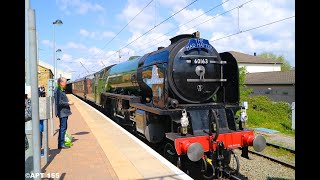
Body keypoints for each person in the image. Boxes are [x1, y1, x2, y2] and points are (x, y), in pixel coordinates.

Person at [54, 77, 74, 149]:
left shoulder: (59, 89)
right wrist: (68, 103)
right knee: (63, 128)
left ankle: (61, 142)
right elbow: (59, 103)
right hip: (62, 112)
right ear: (61, 83)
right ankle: (61, 144)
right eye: (65, 82)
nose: (66, 84)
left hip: (63, 112)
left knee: (63, 127)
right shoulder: (58, 90)